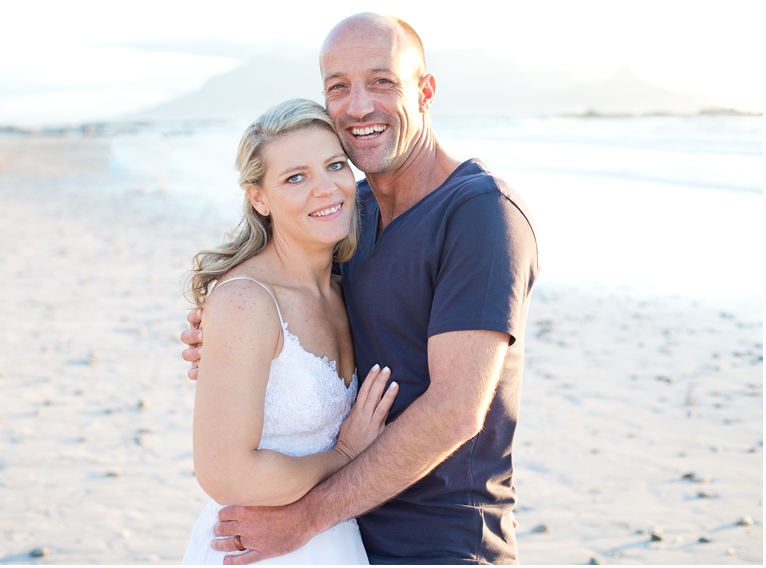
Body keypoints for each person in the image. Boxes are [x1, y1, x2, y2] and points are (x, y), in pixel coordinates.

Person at [182, 13, 540, 564]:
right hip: (348, 538)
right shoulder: (352, 219)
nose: (358, 106)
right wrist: (223, 337)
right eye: (338, 87)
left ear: (425, 91)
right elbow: (290, 316)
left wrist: (307, 518)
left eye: (382, 81)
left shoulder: (479, 214)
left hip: (438, 542)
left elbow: (455, 410)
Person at [180, 98, 399, 564]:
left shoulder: (346, 289)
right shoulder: (247, 301)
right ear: (258, 197)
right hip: (260, 548)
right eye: (295, 177)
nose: (325, 189)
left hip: (337, 543)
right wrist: (343, 456)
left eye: (335, 165)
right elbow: (226, 473)